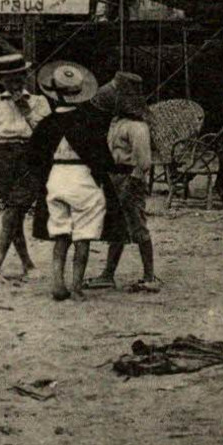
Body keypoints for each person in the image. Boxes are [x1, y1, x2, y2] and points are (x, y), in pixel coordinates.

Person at [25, 61, 123, 302]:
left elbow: (33, 158)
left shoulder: (46, 124)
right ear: (80, 94)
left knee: (60, 235)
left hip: (56, 179)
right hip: (83, 180)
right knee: (83, 236)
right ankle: (77, 286)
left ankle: (57, 283)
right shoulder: (89, 122)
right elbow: (102, 158)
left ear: (53, 92)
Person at [0, 54, 52, 284]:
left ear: (25, 76)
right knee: (14, 214)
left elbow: (46, 133)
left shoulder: (40, 102)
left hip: (29, 160)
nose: (14, 83)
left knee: (14, 212)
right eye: (8, 79)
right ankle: (26, 264)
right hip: (3, 160)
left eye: (18, 77)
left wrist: (26, 108)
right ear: (1, 81)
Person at [87, 72, 160, 292]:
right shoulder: (117, 122)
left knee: (137, 226)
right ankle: (108, 274)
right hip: (116, 178)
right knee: (116, 227)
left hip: (130, 179)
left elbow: (144, 162)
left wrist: (131, 185)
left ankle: (149, 276)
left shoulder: (137, 127)